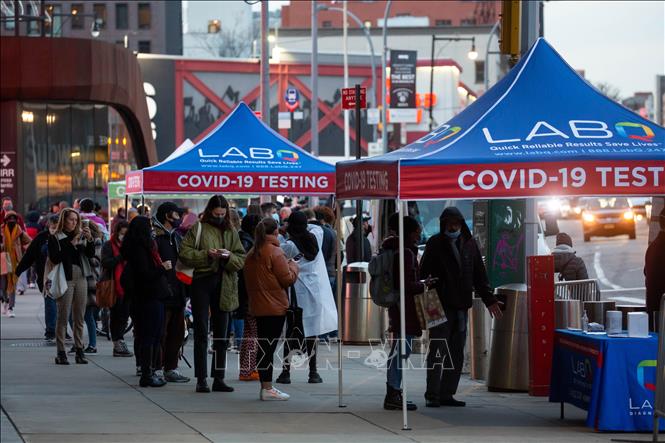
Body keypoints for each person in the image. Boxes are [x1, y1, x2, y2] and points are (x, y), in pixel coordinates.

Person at [419, 207, 503, 407]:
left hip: (460, 305)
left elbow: (479, 276)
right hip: (437, 303)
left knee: (456, 351)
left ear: (461, 224)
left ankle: (447, 393)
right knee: (438, 349)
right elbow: (422, 273)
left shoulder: (469, 244)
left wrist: (489, 300)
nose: (452, 227)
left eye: (455, 223)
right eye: (449, 224)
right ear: (443, 224)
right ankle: (432, 394)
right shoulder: (435, 243)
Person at [179, 195, 246, 393]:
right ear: (210, 212)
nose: (220, 217)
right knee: (201, 331)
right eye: (216, 214)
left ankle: (219, 378)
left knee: (222, 335)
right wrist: (206, 255)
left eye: (223, 214)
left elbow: (241, 258)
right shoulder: (198, 227)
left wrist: (228, 256)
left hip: (224, 283)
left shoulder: (231, 231)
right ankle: (201, 379)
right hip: (202, 282)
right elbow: (184, 253)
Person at [277, 211, 338, 384]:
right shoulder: (316, 237)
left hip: (297, 294)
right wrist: (303, 225)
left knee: (292, 332)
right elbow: (315, 227)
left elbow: (278, 250)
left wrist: (283, 230)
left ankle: (286, 372)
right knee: (312, 334)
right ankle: (313, 372)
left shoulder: (289, 246)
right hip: (315, 293)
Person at [244, 218, 299, 400]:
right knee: (268, 348)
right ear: (276, 232)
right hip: (275, 306)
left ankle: (265, 386)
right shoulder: (275, 252)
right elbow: (287, 279)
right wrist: (293, 266)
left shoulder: (252, 253)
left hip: (257, 305)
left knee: (264, 346)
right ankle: (267, 388)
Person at [382, 214, 429, 411]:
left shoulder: (394, 249)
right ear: (409, 233)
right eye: (417, 231)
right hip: (405, 309)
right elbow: (405, 284)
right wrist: (425, 284)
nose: (419, 235)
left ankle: (394, 391)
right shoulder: (405, 253)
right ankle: (393, 392)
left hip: (398, 307)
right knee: (401, 352)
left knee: (400, 350)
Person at [120, 216, 169, 388]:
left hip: (143, 298)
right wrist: (163, 268)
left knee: (148, 335)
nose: (152, 230)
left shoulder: (134, 247)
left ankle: (148, 371)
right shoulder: (140, 249)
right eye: (149, 227)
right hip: (148, 297)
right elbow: (146, 275)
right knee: (150, 335)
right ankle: (147, 374)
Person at [48, 208, 95, 365]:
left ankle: (79, 350)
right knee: (63, 316)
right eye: (71, 219)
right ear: (64, 220)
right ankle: (61, 352)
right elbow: (55, 258)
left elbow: (90, 254)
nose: (74, 222)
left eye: (76, 220)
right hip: (65, 278)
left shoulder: (80, 234)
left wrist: (89, 239)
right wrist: (71, 244)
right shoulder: (56, 237)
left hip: (81, 276)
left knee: (79, 316)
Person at [153, 202, 190, 383]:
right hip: (161, 293)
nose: (179, 218)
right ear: (167, 215)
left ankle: (170, 368)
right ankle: (157, 368)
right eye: (176, 215)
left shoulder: (177, 237)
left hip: (178, 291)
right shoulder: (155, 237)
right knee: (160, 333)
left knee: (177, 334)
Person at [16, 214, 59, 339]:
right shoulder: (41, 238)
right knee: (50, 303)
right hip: (46, 276)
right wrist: (18, 271)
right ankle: (51, 330)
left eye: (57, 226)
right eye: (53, 227)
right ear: (48, 225)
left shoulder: (64, 237)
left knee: (60, 305)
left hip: (62, 275)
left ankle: (59, 329)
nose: (55, 229)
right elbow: (30, 255)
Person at [237, 214, 262, 381]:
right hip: (250, 293)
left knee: (249, 332)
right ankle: (247, 370)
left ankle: (246, 369)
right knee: (253, 332)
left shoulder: (243, 240)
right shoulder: (249, 244)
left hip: (245, 292)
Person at [2, 211, 31, 317]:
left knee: (12, 284)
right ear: (6, 220)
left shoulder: (19, 231)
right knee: (3, 285)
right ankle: (5, 300)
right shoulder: (1, 230)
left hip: (14, 260)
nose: (12, 220)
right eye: (9, 218)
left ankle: (10, 307)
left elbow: (29, 241)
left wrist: (24, 249)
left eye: (13, 218)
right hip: (3, 259)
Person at [645, 207, 665, 331]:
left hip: (654, 310)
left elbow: (646, 272)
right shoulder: (659, 246)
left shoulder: (653, 246)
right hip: (660, 311)